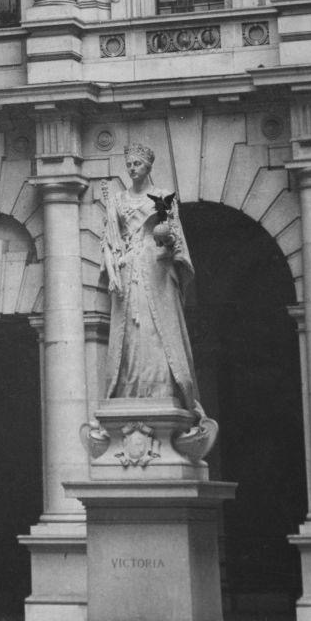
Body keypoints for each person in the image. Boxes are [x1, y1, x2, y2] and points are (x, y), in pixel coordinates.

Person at [101, 143, 207, 426]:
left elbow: (175, 239)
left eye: (137, 164)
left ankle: (163, 388)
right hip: (128, 270)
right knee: (132, 331)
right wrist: (113, 271)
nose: (133, 168)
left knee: (155, 328)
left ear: (148, 167)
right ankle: (131, 389)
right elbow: (110, 243)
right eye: (130, 164)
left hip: (156, 268)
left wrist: (167, 242)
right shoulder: (118, 200)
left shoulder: (162, 197)